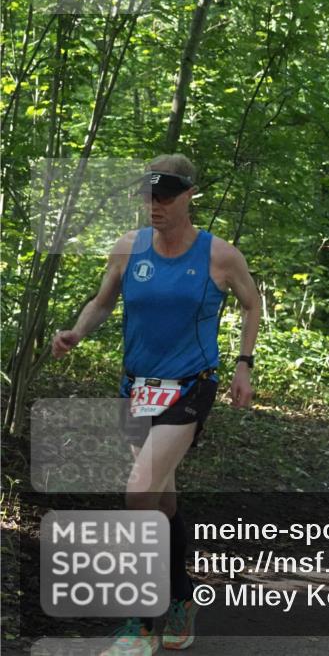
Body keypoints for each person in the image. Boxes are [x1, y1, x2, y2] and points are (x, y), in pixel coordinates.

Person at [51, 154, 261, 655]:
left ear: (189, 196)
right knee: (162, 502)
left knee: (138, 495)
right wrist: (77, 332)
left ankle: (143, 624)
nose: (155, 205)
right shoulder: (128, 249)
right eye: (149, 195)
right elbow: (102, 301)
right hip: (136, 388)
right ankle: (182, 600)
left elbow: (252, 303)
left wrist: (243, 364)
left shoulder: (220, 256)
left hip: (190, 387)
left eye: (166, 195)